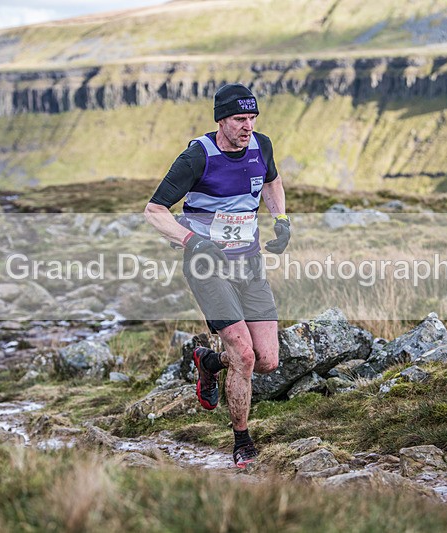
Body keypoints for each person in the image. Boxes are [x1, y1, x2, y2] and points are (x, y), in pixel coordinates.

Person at [144, 83, 290, 468]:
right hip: (207, 266)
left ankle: (209, 363)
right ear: (221, 120)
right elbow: (154, 211)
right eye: (240, 119)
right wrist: (192, 241)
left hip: (249, 263)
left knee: (267, 360)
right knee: (244, 354)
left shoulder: (261, 145)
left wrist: (281, 219)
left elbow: (272, 180)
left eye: (252, 118)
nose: (248, 126)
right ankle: (242, 441)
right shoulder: (197, 157)